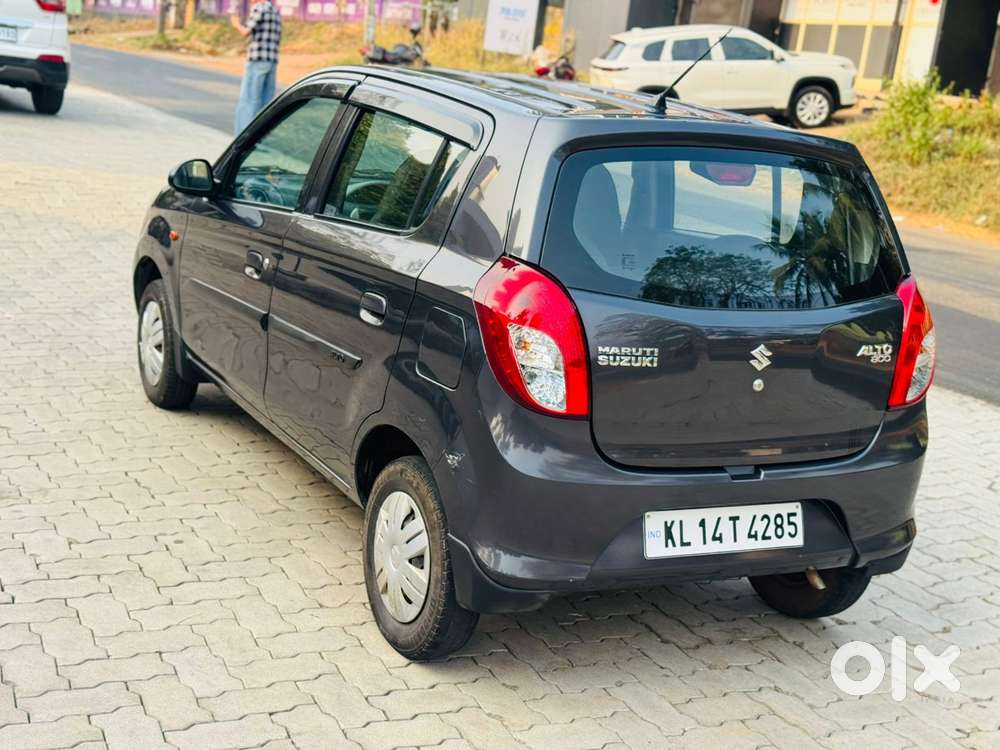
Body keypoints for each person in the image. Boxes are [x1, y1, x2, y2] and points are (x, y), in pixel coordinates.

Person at [230, 0, 282, 135]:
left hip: (257, 60)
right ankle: (259, 137)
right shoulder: (275, 11)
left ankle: (242, 138)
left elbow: (246, 31)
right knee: (265, 104)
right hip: (271, 61)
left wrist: (236, 24)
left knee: (249, 101)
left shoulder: (259, 8)